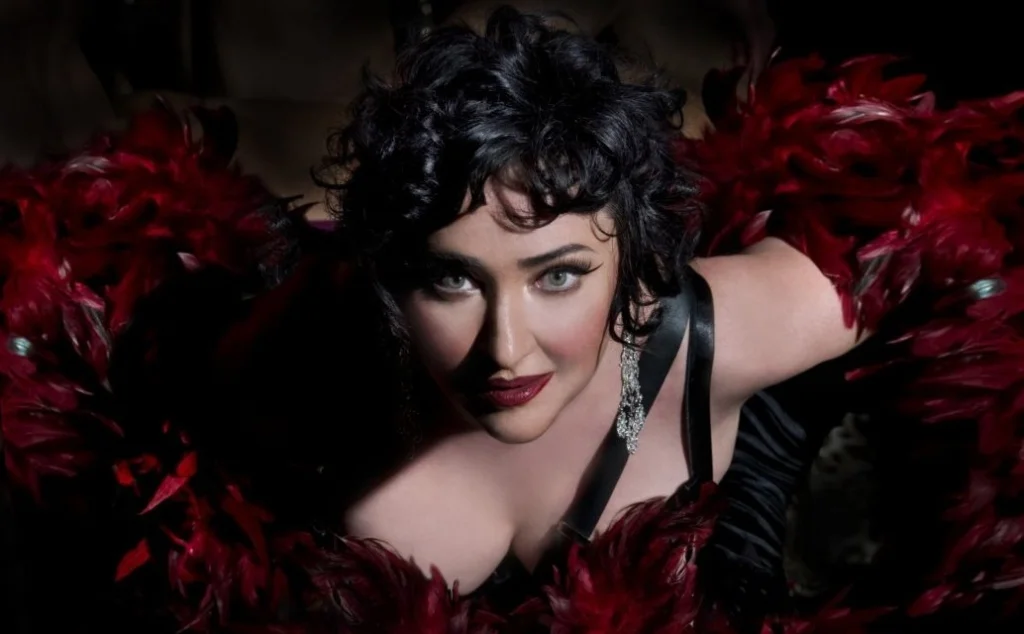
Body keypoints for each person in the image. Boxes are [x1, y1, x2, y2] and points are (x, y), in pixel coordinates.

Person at [3, 6, 1024, 633]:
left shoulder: (737, 323)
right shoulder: (287, 370)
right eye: (450, 282)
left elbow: (961, 217)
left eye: (559, 277)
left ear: (637, 265)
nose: (507, 348)